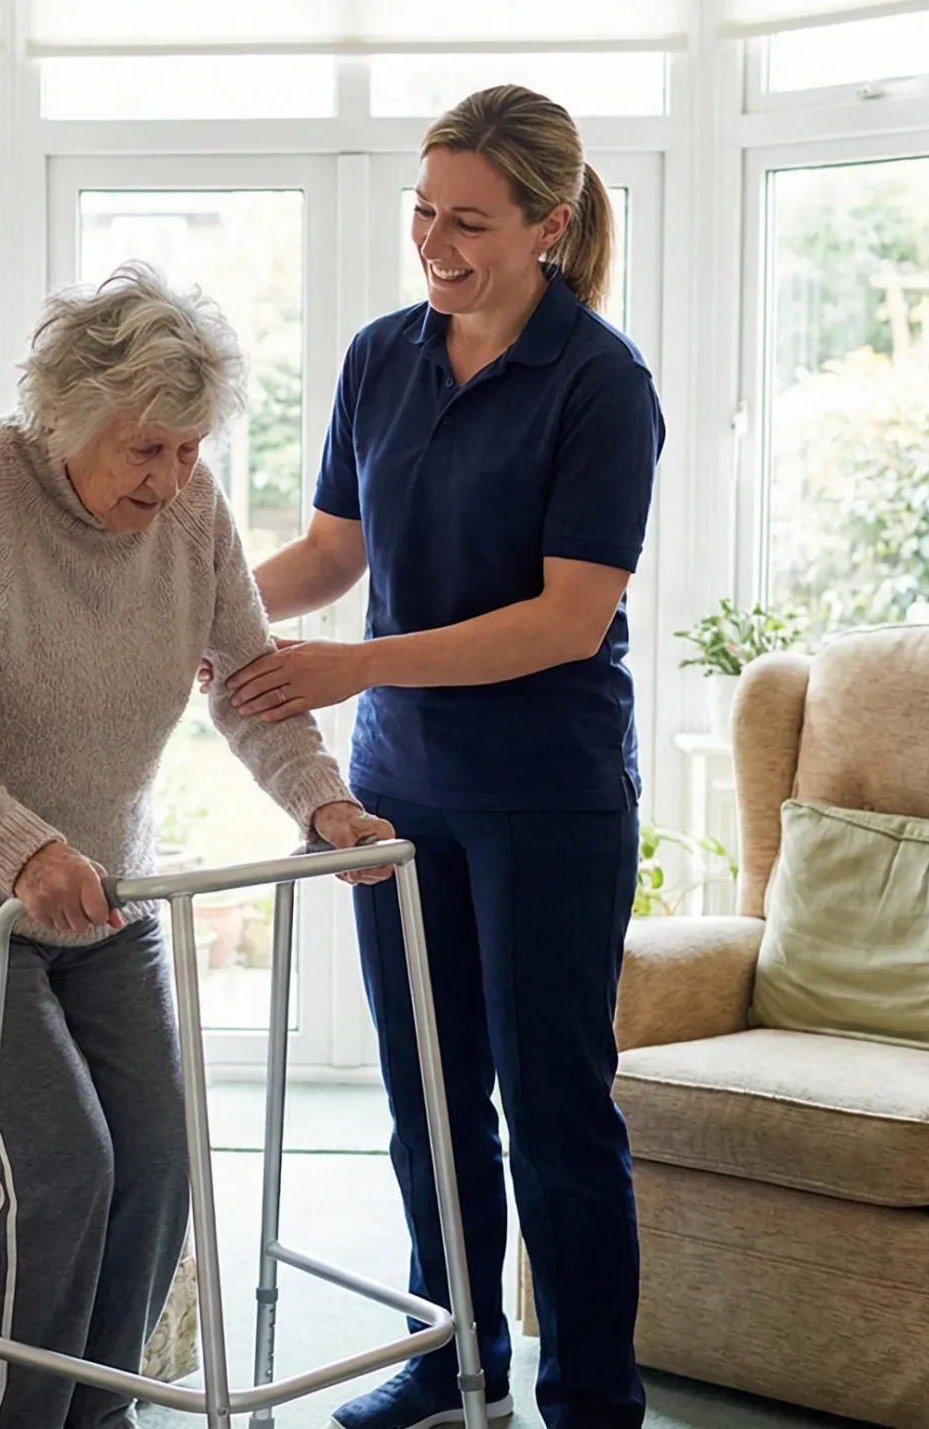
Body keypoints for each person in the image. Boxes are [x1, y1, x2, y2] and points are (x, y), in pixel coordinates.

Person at [0, 260, 397, 1429]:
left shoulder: (191, 513)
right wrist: (20, 849)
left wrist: (323, 803)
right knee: (56, 1170)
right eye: (147, 448)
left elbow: (248, 687)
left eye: (191, 448)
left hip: (103, 891)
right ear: (67, 418)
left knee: (155, 1163)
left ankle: (98, 1419)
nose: (172, 477)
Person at [223, 85, 664, 1429]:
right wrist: (201, 612)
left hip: (548, 795)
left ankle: (593, 1398)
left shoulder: (602, 384)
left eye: (468, 221)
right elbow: (334, 555)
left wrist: (352, 662)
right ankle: (450, 1358)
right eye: (424, 211)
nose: (436, 241)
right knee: (427, 1102)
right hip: (397, 792)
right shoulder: (378, 357)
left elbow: (565, 617)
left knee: (555, 1112)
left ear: (550, 224)